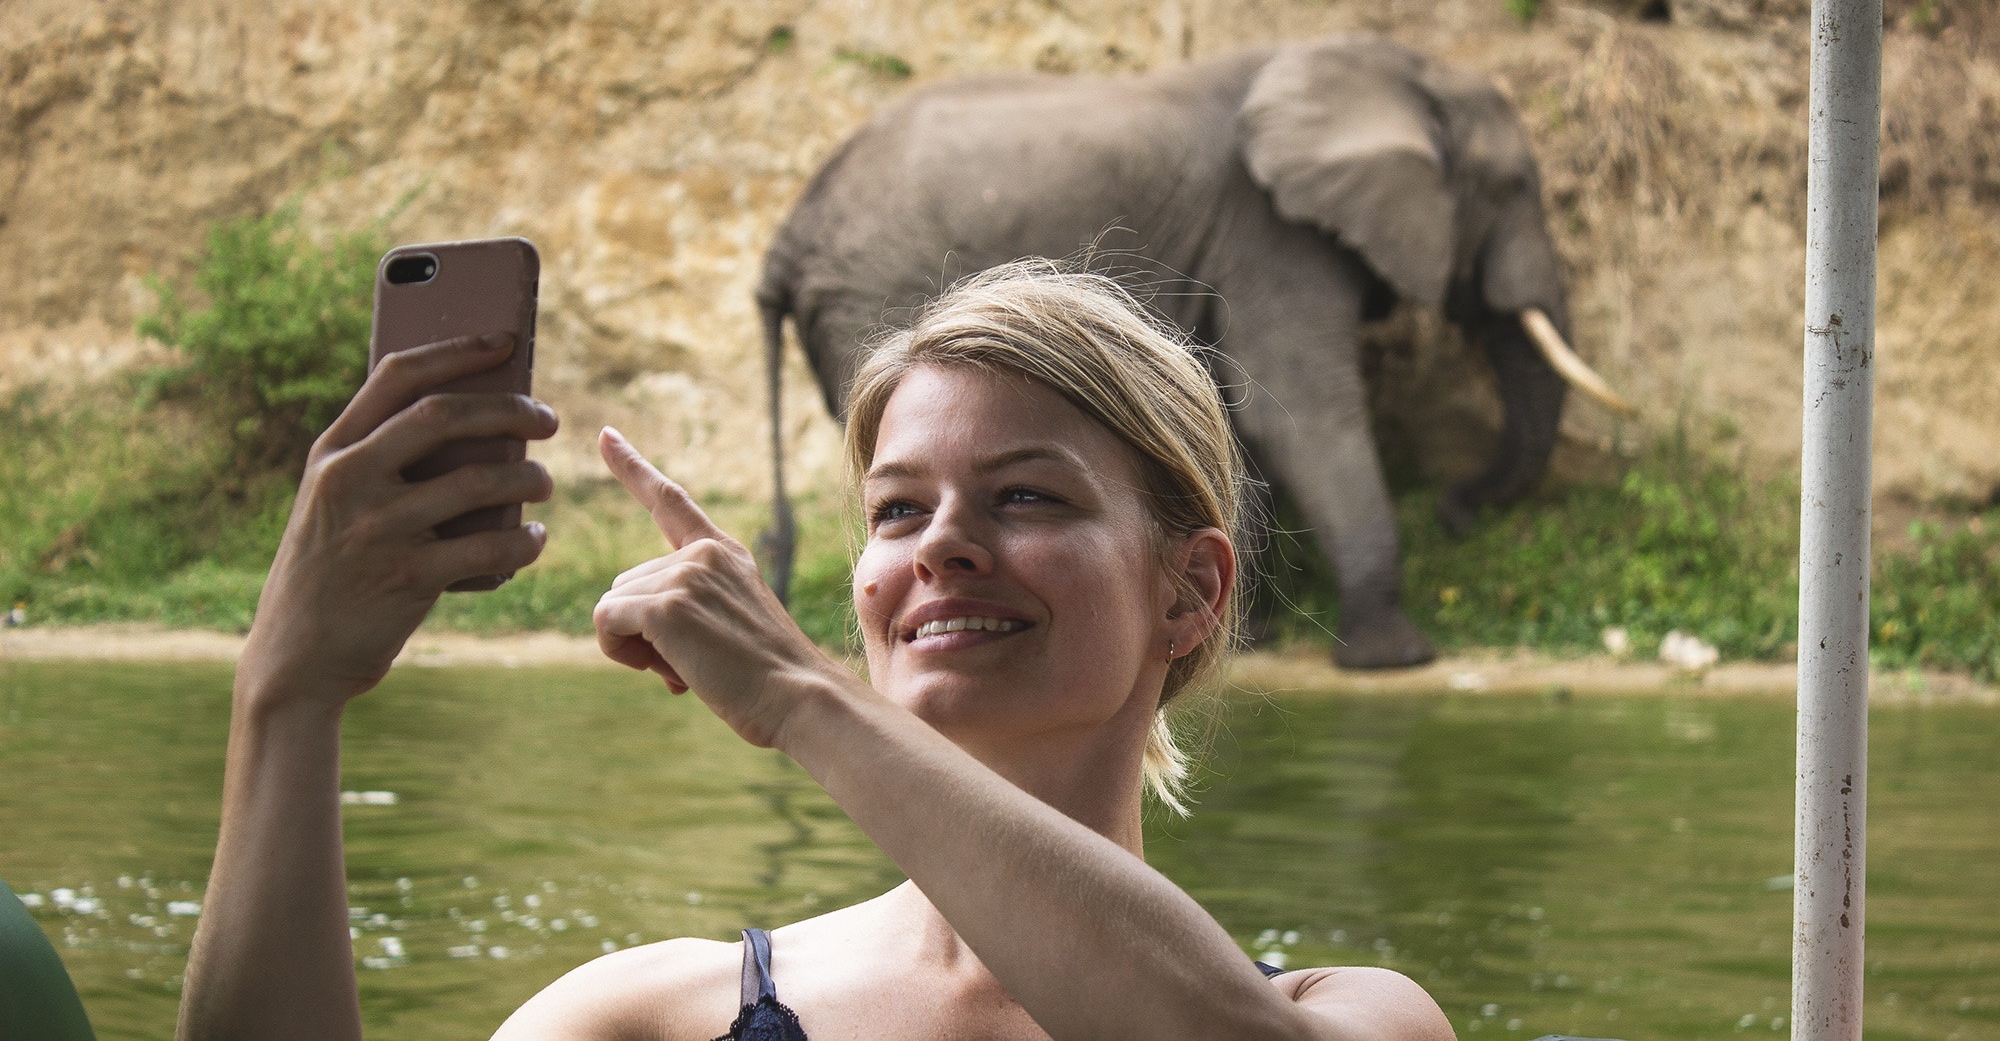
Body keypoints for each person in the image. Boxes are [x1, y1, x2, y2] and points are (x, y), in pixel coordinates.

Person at [178, 260, 1455, 1041]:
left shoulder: (1343, 1019)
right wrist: (285, 694)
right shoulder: (655, 1018)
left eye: (1025, 496)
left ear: (1189, 591)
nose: (940, 546)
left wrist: (802, 698)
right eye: (898, 508)